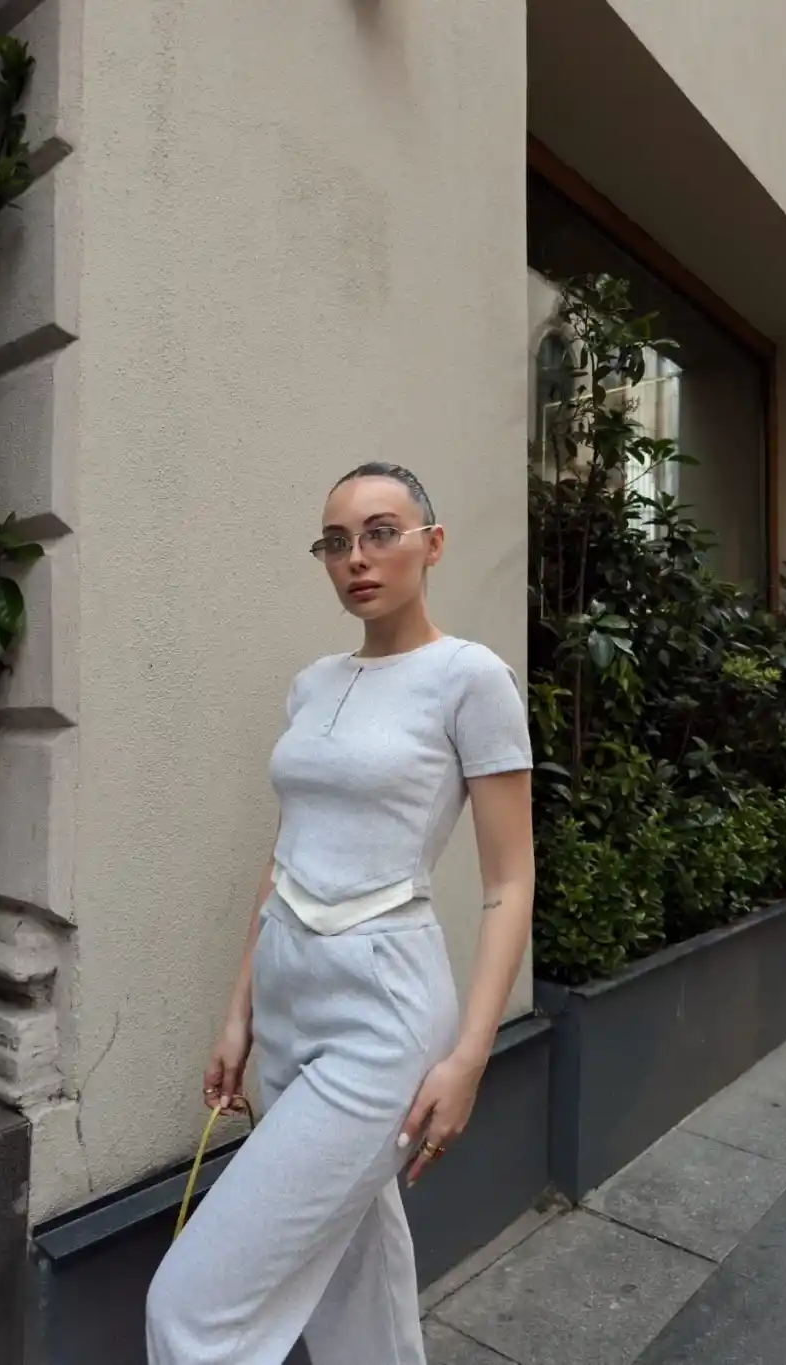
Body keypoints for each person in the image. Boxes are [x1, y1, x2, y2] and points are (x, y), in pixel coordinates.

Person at [147, 463, 535, 1365]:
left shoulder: (470, 678)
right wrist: (239, 1012)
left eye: (381, 532)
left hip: (381, 1011)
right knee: (358, 1282)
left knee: (191, 1309)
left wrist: (469, 1058)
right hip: (287, 1001)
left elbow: (509, 883)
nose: (357, 557)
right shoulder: (313, 684)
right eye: (336, 541)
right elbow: (285, 852)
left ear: (432, 544)